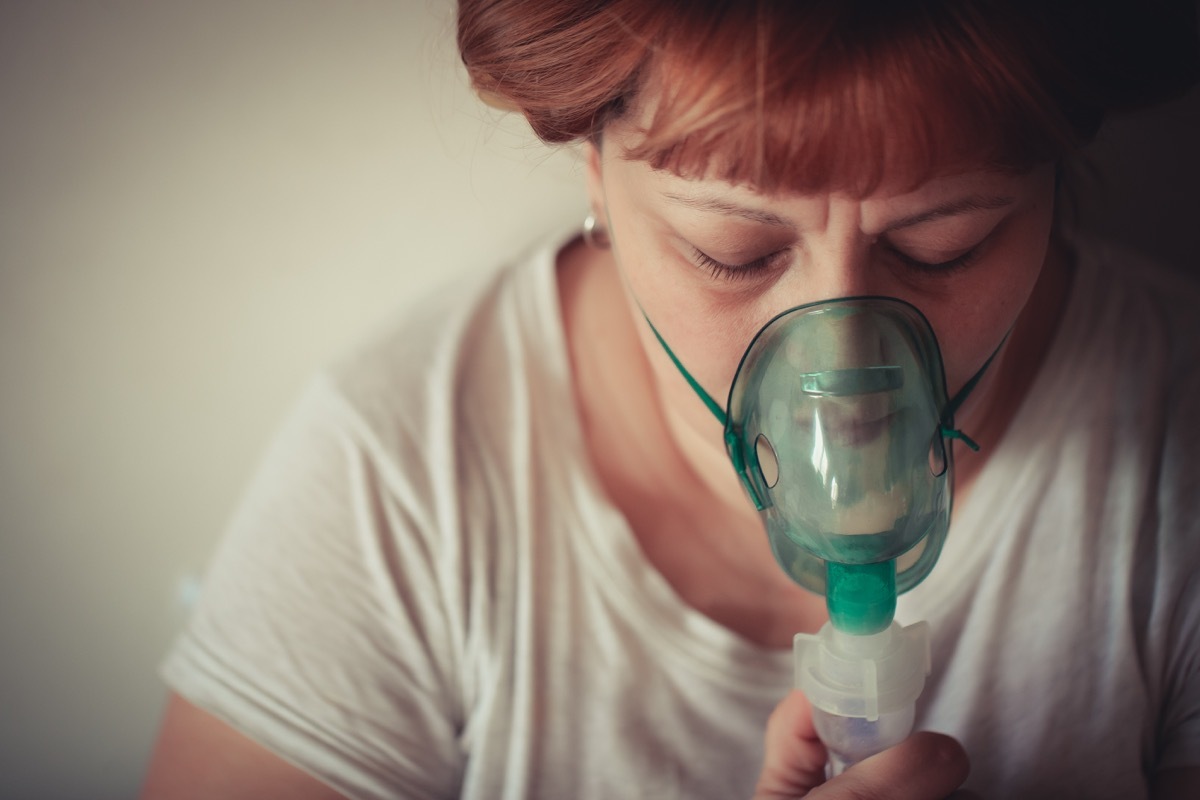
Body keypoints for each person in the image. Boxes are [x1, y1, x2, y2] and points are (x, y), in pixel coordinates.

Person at [140, 1, 1200, 797]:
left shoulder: (1175, 430)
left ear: (1057, 181)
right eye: (730, 253)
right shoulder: (402, 480)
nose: (847, 368)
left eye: (946, 243)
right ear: (594, 176)